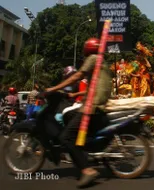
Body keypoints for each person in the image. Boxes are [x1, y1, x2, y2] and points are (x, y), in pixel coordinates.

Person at [46, 37, 112, 187]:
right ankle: (83, 154)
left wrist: (53, 88)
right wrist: (74, 95)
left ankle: (87, 170)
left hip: (92, 109)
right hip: (95, 107)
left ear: (87, 49)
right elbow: (92, 87)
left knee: (66, 137)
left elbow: (77, 76)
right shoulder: (102, 62)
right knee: (69, 117)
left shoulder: (93, 58)